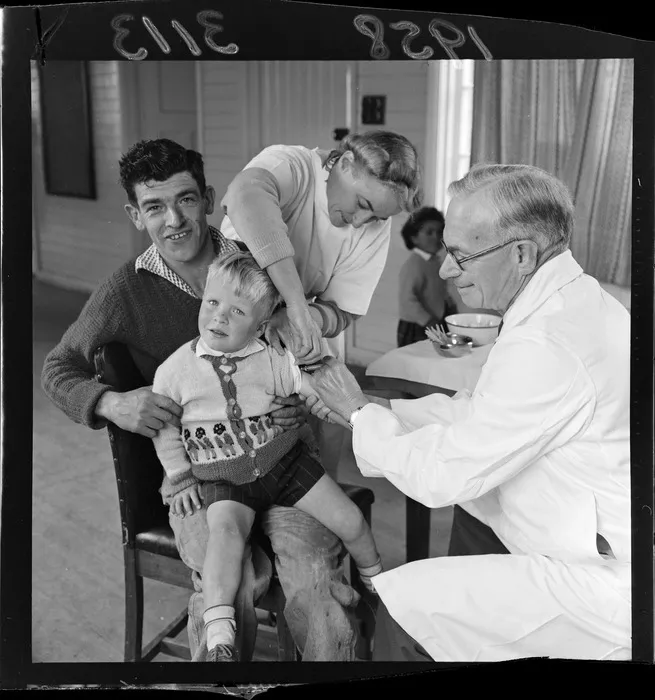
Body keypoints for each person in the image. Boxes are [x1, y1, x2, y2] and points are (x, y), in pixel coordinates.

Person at [40, 138, 368, 662]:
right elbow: (57, 368)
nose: (174, 219)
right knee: (232, 579)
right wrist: (111, 403)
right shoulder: (125, 291)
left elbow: (295, 363)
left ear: (209, 198)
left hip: (282, 462)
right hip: (199, 480)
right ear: (134, 214)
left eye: (186, 199)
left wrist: (298, 405)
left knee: (314, 578)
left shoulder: (262, 266)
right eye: (154, 206)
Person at [306, 163, 632, 662]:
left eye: (460, 255)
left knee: (404, 606)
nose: (444, 271)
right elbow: (478, 414)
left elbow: (442, 475)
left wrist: (357, 415)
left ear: (522, 254)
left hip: (606, 577)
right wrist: (373, 409)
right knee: (475, 516)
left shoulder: (548, 341)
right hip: (582, 523)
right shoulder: (569, 300)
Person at [152, 250, 382, 662]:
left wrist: (357, 419)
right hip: (223, 479)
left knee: (349, 517)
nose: (219, 317)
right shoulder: (175, 371)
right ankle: (220, 632)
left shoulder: (275, 360)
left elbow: (316, 398)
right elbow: (165, 427)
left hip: (285, 463)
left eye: (236, 311)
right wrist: (181, 476)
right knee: (225, 538)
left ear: (260, 325)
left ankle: (377, 581)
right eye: (212, 303)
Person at [218, 130, 422, 477]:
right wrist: (295, 303)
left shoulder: (372, 225)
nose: (362, 223)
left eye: (377, 218)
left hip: (303, 330)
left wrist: (303, 316)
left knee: (316, 455)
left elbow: (343, 308)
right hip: (239, 319)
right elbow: (244, 196)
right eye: (362, 205)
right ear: (344, 164)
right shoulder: (292, 165)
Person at [397, 206, 458, 347]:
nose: (436, 237)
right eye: (429, 233)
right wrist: (428, 321)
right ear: (414, 237)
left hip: (436, 321)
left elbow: (439, 289)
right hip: (418, 324)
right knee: (415, 361)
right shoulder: (414, 264)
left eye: (439, 232)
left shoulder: (434, 262)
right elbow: (407, 301)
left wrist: (450, 305)